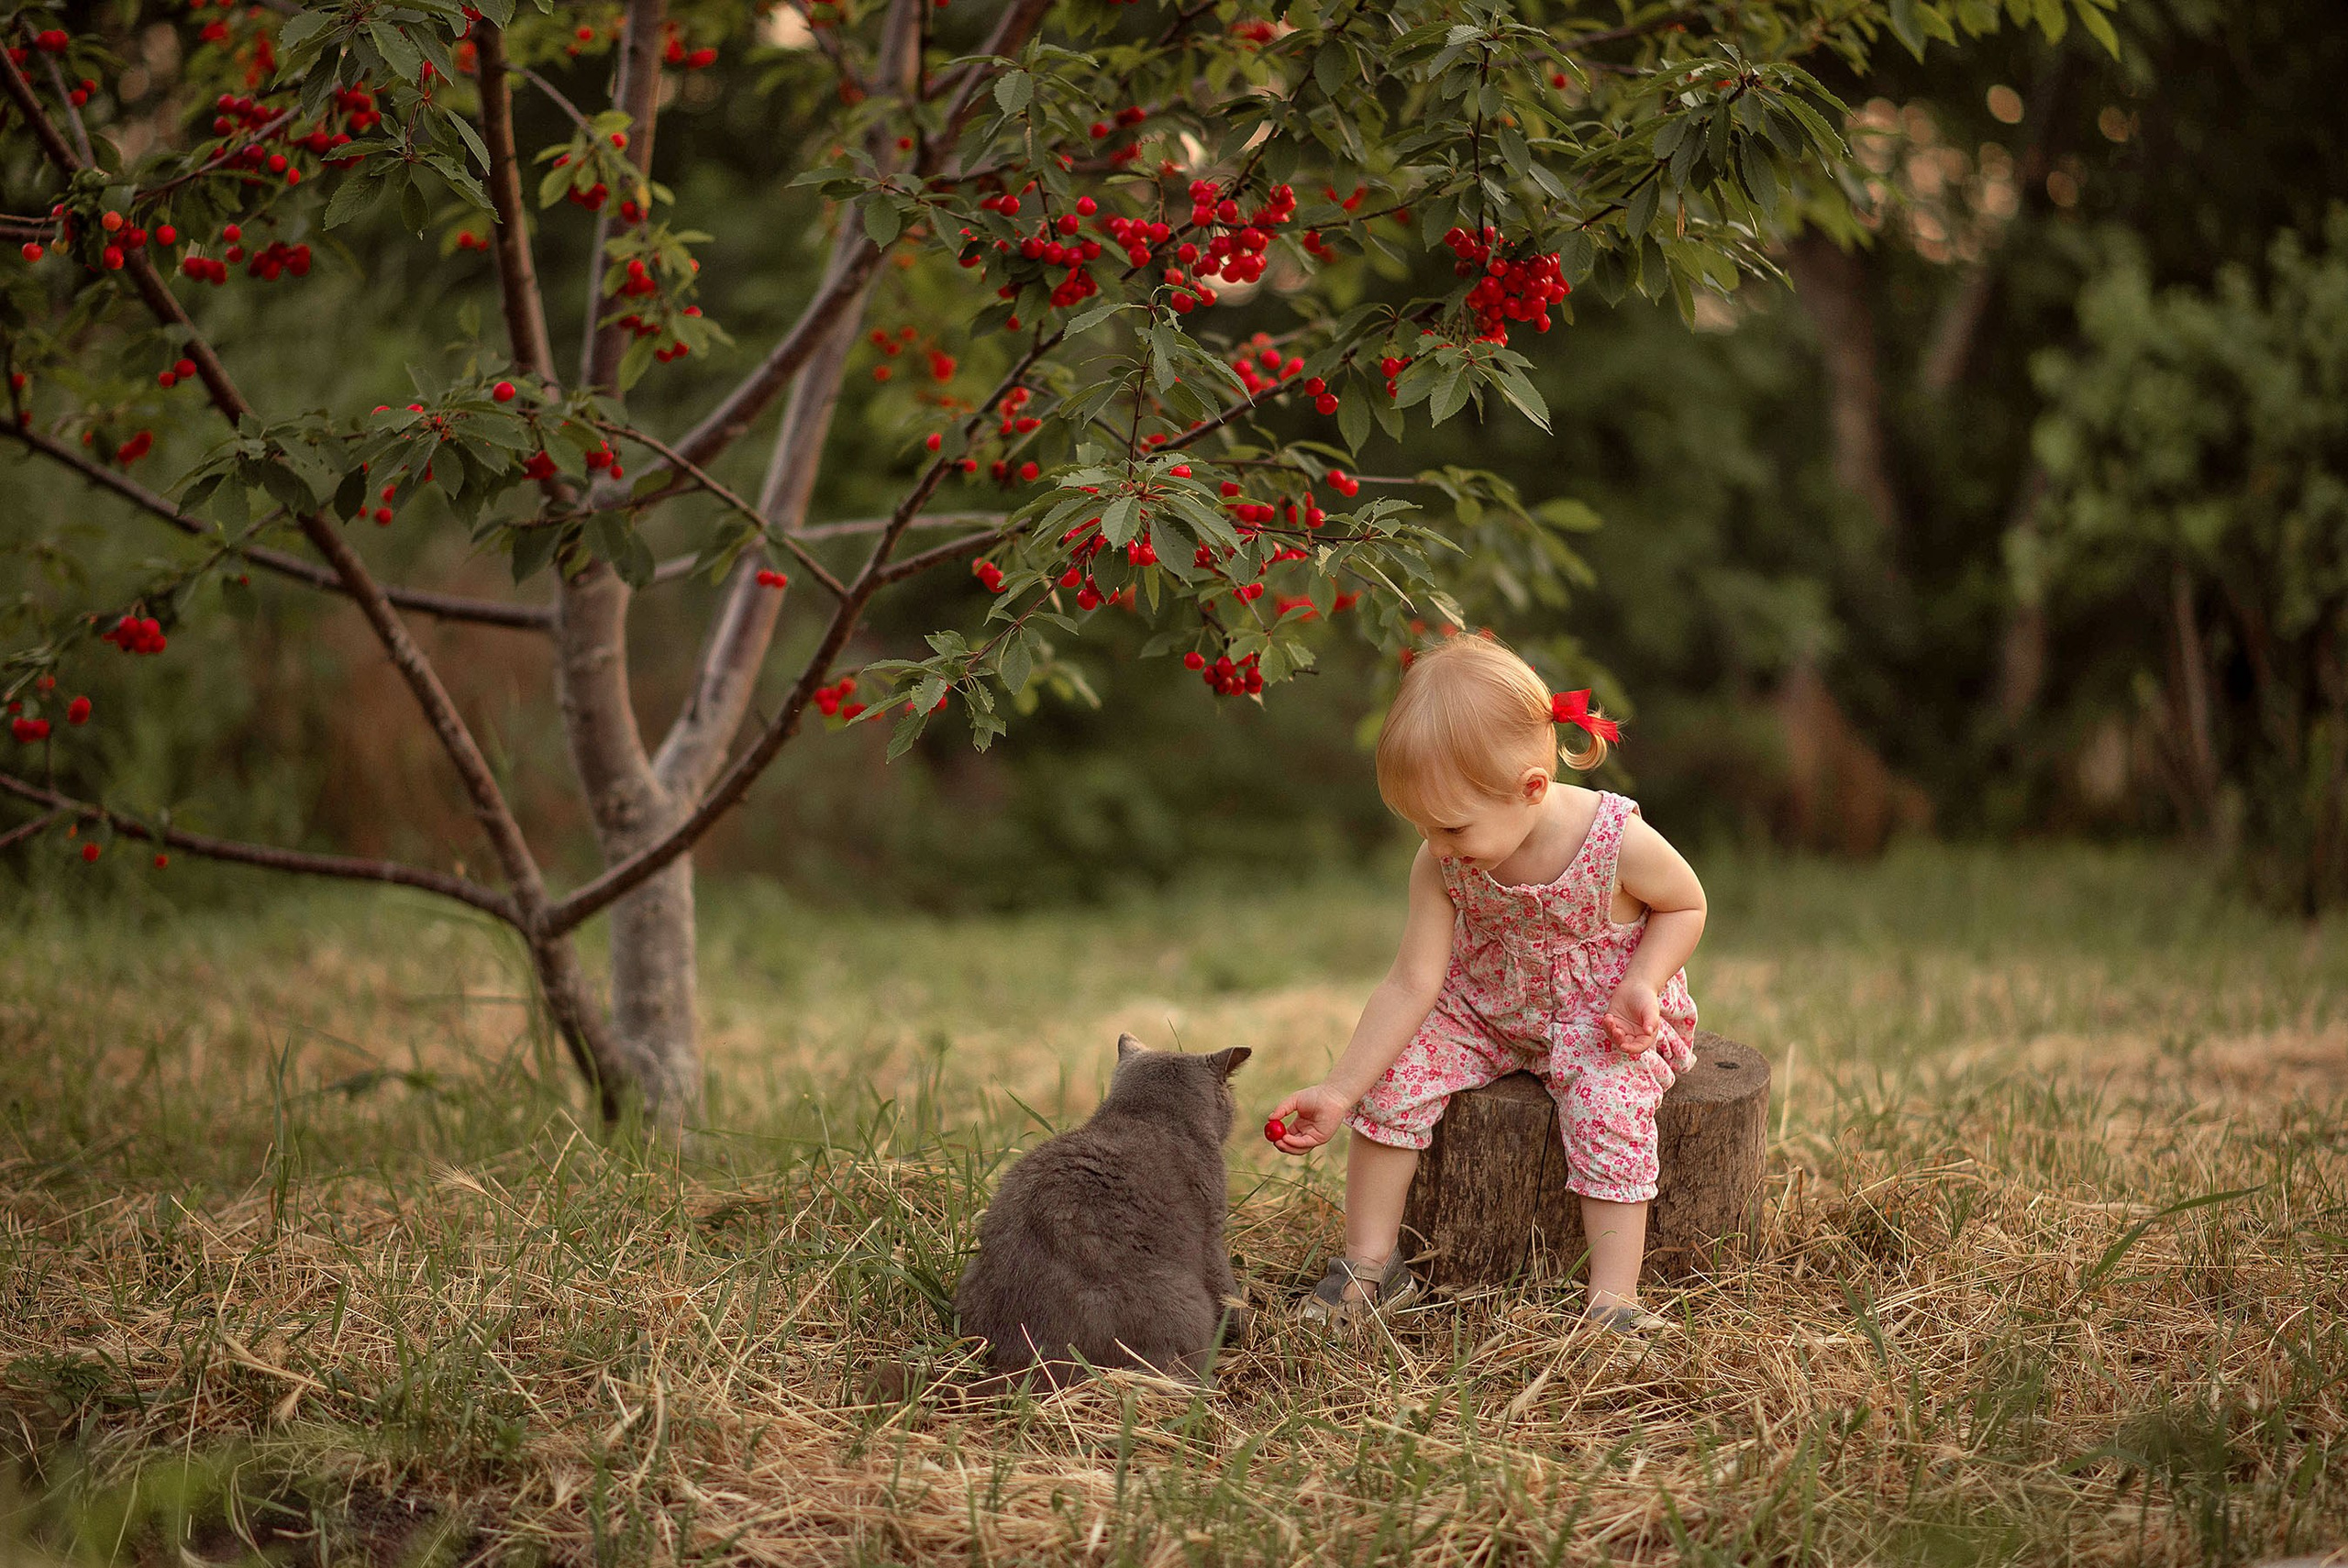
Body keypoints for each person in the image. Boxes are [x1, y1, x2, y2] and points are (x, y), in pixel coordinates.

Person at [1267, 635, 1707, 1332]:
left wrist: (1645, 982)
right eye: (1421, 826)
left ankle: (1613, 1301)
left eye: (1450, 826)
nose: (1436, 846)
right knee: (1397, 1078)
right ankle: (1367, 1268)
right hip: (1486, 1008)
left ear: (1531, 788)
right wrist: (1339, 1088)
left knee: (1609, 1105)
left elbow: (1686, 903)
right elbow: (1412, 983)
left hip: (1603, 1013)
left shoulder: (1613, 839)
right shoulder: (1442, 861)